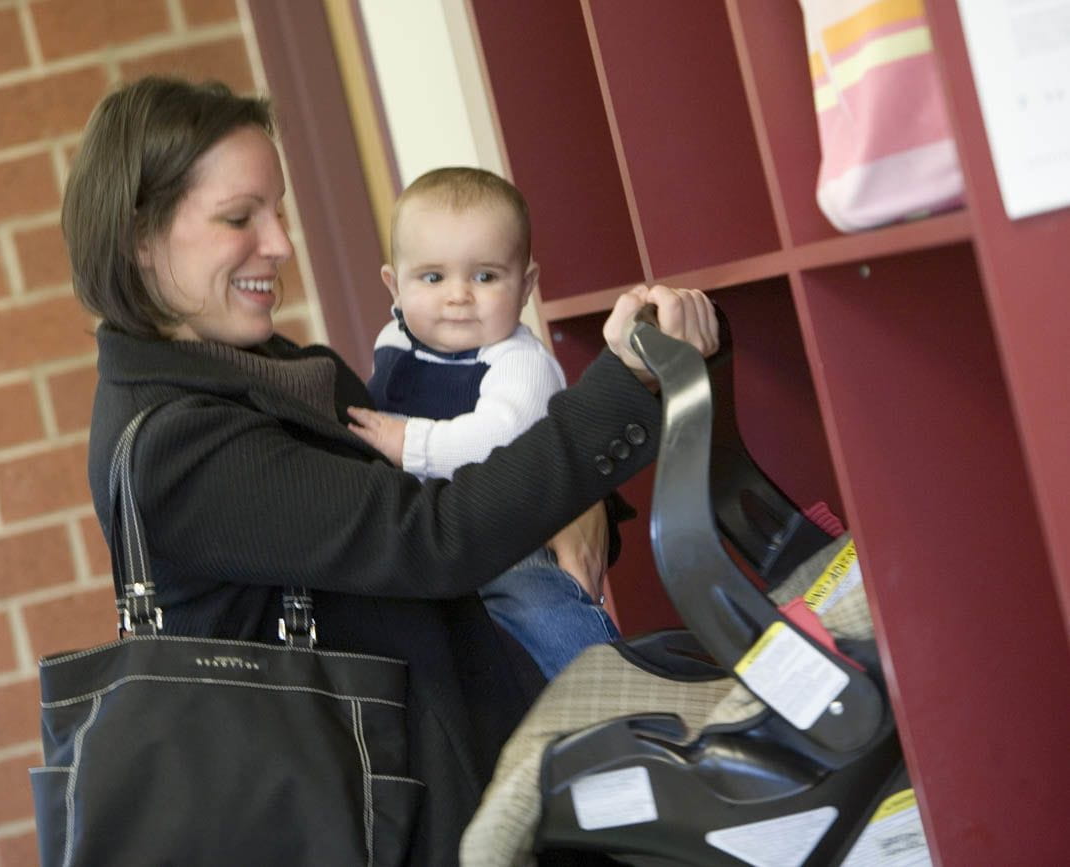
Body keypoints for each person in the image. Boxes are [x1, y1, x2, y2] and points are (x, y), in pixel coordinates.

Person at [63, 76, 718, 866]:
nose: (277, 244)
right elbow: (428, 536)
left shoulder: (278, 371)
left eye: (278, 211)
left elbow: (456, 481)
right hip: (398, 825)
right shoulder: (180, 444)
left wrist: (575, 505)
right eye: (240, 218)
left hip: (469, 778)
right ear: (139, 236)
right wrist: (622, 388)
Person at [347, 167, 620, 679]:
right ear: (395, 285)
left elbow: (500, 435)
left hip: (507, 538)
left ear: (526, 285)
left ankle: (609, 704)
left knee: (542, 611)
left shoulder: (519, 362)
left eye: (485, 276)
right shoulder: (395, 342)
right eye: (433, 277)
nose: (458, 296)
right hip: (424, 542)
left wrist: (410, 442)